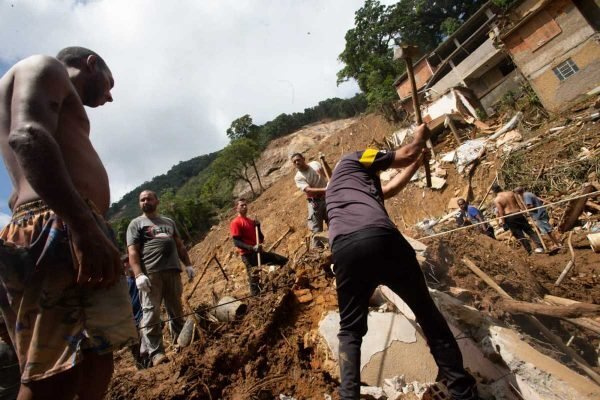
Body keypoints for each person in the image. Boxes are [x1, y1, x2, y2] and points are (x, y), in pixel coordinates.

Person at [0, 47, 138, 400]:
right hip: (60, 225)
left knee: (95, 357)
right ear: (90, 64)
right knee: (53, 375)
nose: (109, 95)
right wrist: (82, 226)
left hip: (64, 223)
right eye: (109, 83)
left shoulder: (50, 96)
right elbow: (26, 136)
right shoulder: (43, 66)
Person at [326, 125, 479, 400]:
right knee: (427, 313)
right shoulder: (355, 157)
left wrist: (416, 164)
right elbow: (405, 153)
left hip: (345, 251)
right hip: (381, 238)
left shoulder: (345, 188)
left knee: (350, 330)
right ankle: (461, 392)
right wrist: (420, 138)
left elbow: (391, 188)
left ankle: (348, 396)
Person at [126, 190, 196, 367]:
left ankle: (181, 344)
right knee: (151, 314)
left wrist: (187, 264)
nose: (145, 202)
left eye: (149, 198)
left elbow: (179, 245)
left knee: (176, 310)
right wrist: (138, 275)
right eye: (142, 200)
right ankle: (156, 353)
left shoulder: (169, 222)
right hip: (151, 275)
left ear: (157, 201)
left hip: (172, 271)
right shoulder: (136, 224)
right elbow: (132, 252)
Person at [230, 198, 288, 295]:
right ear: (236, 208)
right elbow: (236, 242)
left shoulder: (250, 221)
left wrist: (258, 226)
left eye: (245, 205)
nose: (245, 207)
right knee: (254, 280)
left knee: (282, 260)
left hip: (258, 253)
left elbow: (260, 239)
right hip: (248, 255)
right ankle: (257, 301)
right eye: (242, 205)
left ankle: (284, 281)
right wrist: (252, 248)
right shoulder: (236, 222)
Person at [292, 152, 332, 249]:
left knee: (333, 223)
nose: (297, 162)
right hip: (315, 203)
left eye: (298, 159)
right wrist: (325, 189)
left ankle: (336, 245)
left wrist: (325, 162)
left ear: (303, 159)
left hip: (327, 198)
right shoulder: (298, 177)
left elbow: (329, 175)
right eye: (294, 162)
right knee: (316, 231)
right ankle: (318, 254)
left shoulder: (315, 164)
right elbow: (308, 190)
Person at [492, 184, 544, 254]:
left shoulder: (497, 199)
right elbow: (520, 203)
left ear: (494, 191)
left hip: (509, 217)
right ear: (500, 188)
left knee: (519, 234)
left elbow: (501, 212)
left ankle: (529, 250)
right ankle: (540, 246)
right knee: (529, 231)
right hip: (518, 213)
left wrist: (504, 223)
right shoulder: (511, 193)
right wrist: (525, 212)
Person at [122, 254, 148, 369]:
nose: (128, 266)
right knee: (134, 347)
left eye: (129, 262)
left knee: (146, 335)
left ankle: (149, 361)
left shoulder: (141, 279)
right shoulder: (123, 284)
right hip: (129, 320)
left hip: (142, 315)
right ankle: (140, 367)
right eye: (125, 264)